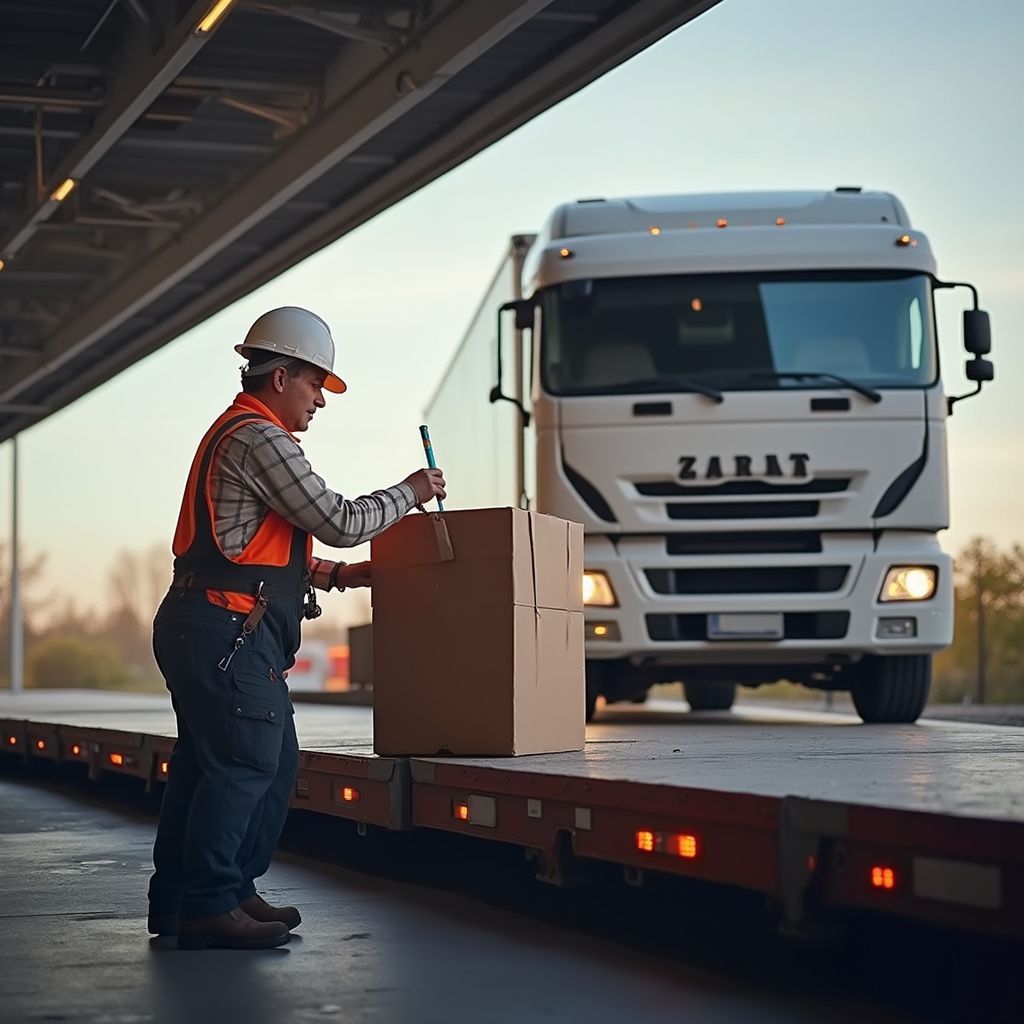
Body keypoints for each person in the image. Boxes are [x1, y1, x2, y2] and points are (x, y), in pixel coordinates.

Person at [146, 306, 445, 950]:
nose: (320, 400)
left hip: (214, 625)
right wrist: (410, 492)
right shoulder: (261, 438)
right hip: (227, 632)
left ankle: (206, 894)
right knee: (248, 764)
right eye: (315, 384)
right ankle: (207, 904)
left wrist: (344, 576)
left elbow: (273, 549)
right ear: (279, 376)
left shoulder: (243, 437)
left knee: (230, 764)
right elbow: (335, 517)